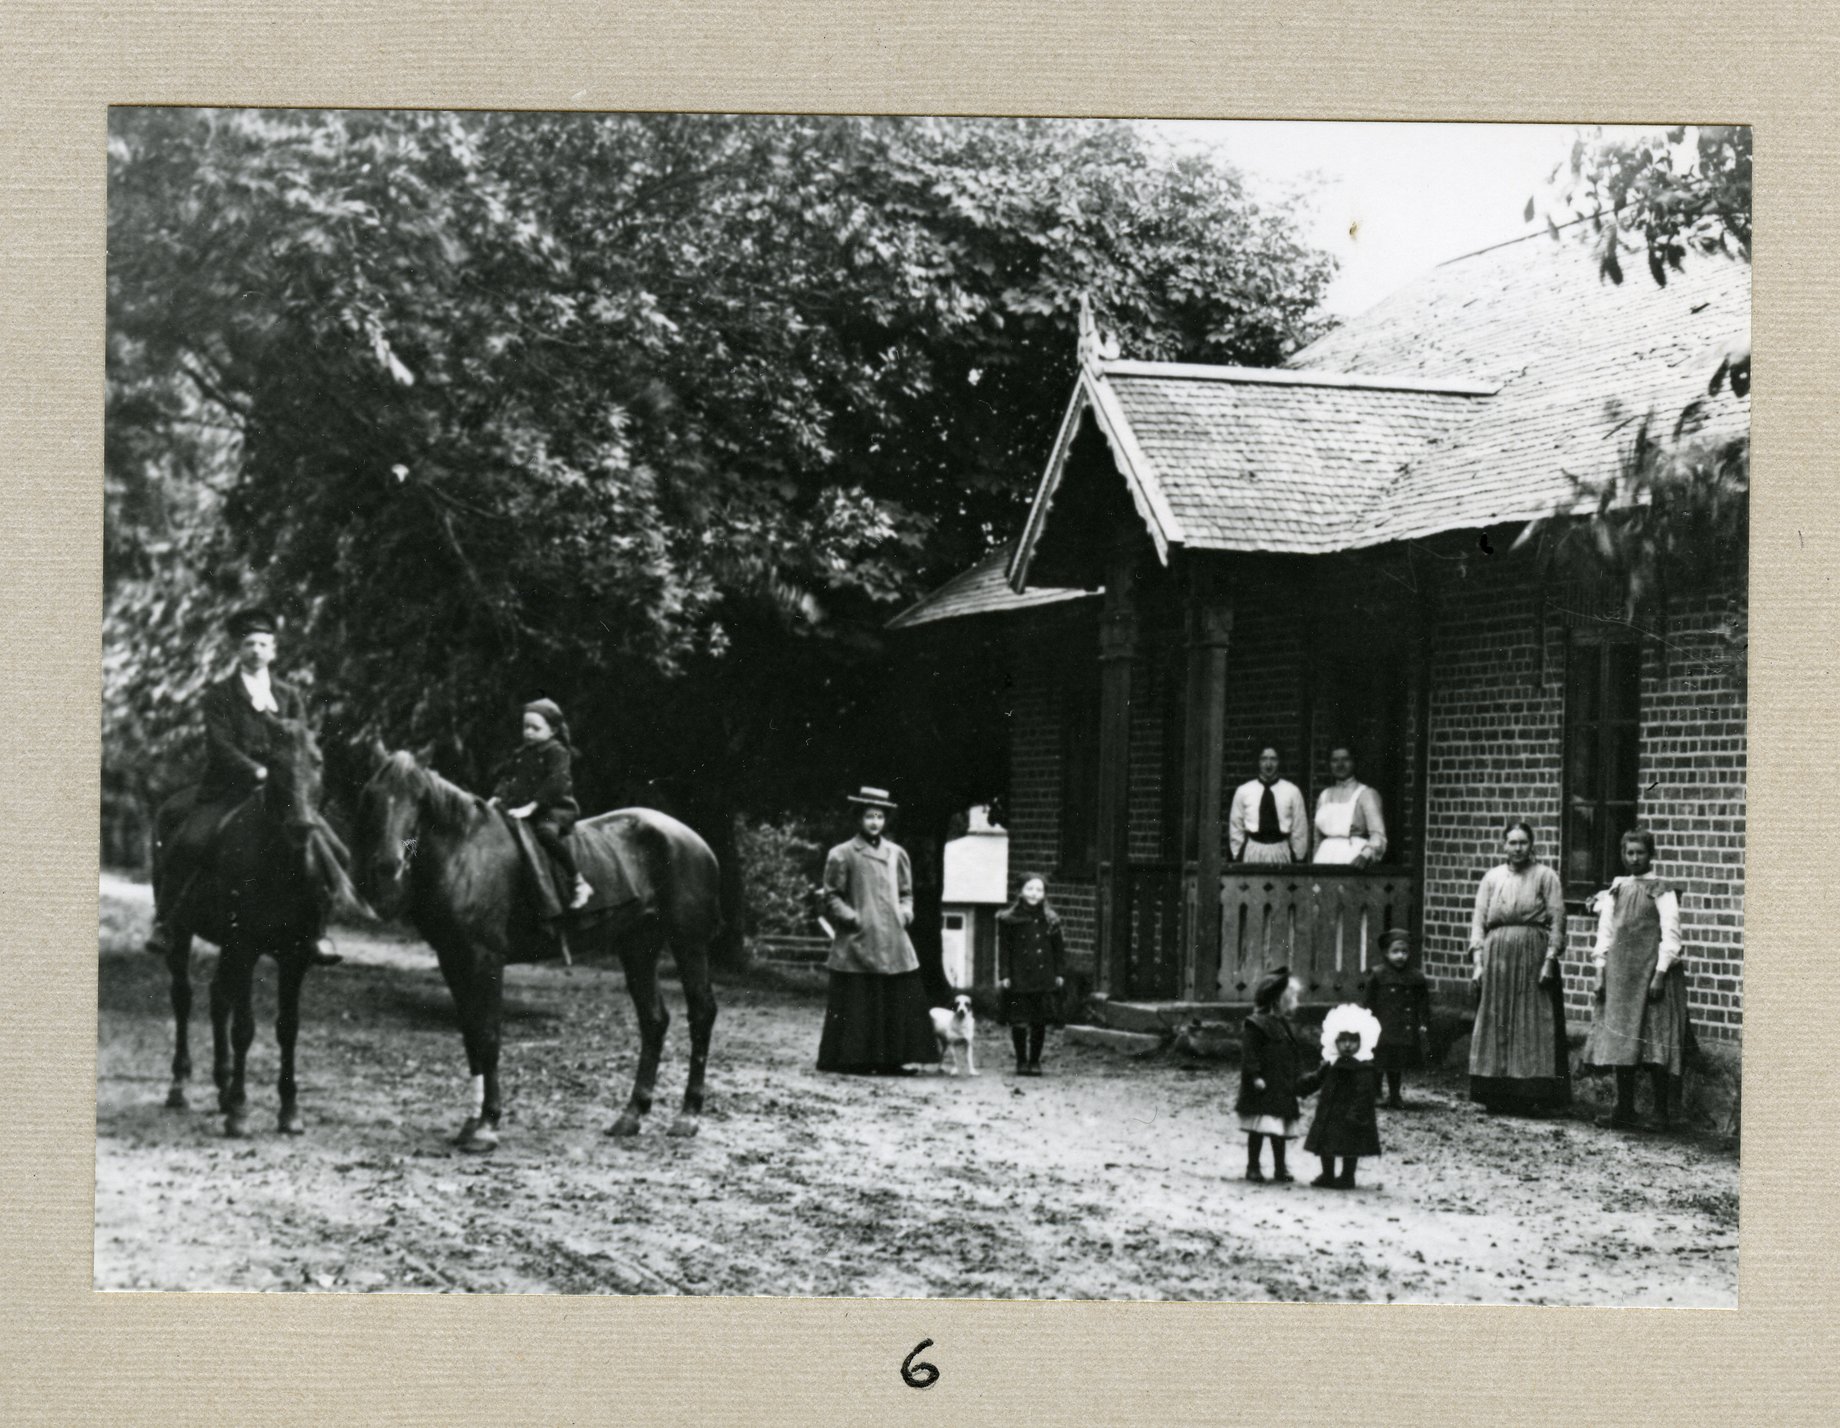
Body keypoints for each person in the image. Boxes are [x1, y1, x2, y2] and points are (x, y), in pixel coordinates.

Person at [145, 606, 340, 965]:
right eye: (249, 644)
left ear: (274, 650)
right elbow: (220, 745)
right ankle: (167, 922)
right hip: (228, 788)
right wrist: (256, 771)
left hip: (282, 793)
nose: (256, 651)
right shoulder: (220, 694)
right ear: (238, 649)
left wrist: (290, 776)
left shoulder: (289, 696)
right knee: (189, 841)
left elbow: (300, 742)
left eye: (263, 644)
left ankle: (318, 931)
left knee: (327, 850)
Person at [815, 787, 940, 1075]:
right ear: (859, 818)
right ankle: (853, 1060)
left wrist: (906, 913)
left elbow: (907, 892)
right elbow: (832, 895)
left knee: (893, 999)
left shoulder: (897, 853)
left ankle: (891, 1060)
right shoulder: (842, 853)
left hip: (893, 939)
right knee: (860, 1001)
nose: (874, 822)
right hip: (858, 939)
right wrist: (852, 917)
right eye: (869, 816)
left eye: (880, 817)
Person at [1582, 829, 1688, 1129]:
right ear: (1622, 854)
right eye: (1629, 852)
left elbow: (1671, 935)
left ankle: (1660, 1112)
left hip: (1650, 975)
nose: (1634, 858)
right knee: (1620, 1038)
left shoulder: (1661, 890)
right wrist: (1600, 972)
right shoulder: (1616, 889)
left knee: (1653, 1041)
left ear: (1650, 854)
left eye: (1640, 852)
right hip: (1620, 975)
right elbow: (1605, 934)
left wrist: (1660, 974)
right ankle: (1624, 1108)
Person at [1467, 821, 1570, 1113]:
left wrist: (1551, 959)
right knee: (1497, 1021)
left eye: (1522, 842)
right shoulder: (1491, 878)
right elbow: (1478, 921)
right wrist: (1478, 963)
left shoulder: (1546, 876)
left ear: (1531, 844)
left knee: (1533, 1021)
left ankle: (1533, 1095)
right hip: (1497, 956)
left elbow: (1558, 920)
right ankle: (1497, 1093)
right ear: (1503, 845)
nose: (1517, 848)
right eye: (1511, 843)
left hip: (1533, 956)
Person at [490, 698, 591, 910]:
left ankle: (578, 881)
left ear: (553, 730)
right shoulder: (521, 754)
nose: (528, 732)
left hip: (554, 809)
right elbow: (508, 778)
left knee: (545, 834)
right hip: (524, 809)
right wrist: (498, 797)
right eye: (525, 727)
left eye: (535, 728)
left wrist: (532, 806)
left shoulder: (557, 752)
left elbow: (556, 782)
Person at [1235, 968, 1311, 1183]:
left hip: (1281, 1085)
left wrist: (1298, 1076)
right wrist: (1255, 1076)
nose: (1296, 1001)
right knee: (1259, 1128)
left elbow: (1292, 1053)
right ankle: (1253, 1166)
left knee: (1279, 1130)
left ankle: (1280, 1167)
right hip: (1263, 1086)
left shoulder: (1283, 1025)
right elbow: (1249, 1055)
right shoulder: (1255, 1024)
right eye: (1292, 996)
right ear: (1278, 1000)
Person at [1300, 1003, 1384, 1189]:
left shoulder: (1363, 1067)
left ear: (1362, 1041)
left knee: (1350, 1145)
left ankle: (1348, 1176)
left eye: (1353, 1040)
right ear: (1334, 1040)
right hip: (1330, 1110)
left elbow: (1364, 1093)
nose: (1347, 1045)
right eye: (1342, 1040)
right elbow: (1317, 1078)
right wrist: (1300, 1087)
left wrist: (1356, 1113)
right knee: (1325, 1143)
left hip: (1349, 1114)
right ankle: (1327, 1174)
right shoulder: (1331, 1062)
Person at [996, 873, 1066, 1076]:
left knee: (1039, 1020)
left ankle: (1035, 1061)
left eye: (1039, 890)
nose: (1034, 894)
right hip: (1019, 977)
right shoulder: (1009, 920)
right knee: (1019, 1019)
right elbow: (1005, 949)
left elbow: (1058, 949)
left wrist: (1059, 972)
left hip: (1043, 976)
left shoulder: (1050, 920)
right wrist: (1005, 974)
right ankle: (1021, 1061)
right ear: (1020, 892)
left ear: (1044, 894)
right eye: (1029, 889)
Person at [1364, 928, 1432, 1108]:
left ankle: (1395, 1095)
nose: (1400, 956)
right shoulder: (1378, 974)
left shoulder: (1416, 977)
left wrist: (1423, 1022)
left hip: (1403, 1027)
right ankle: (1376, 1093)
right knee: (1378, 1061)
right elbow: (1368, 1001)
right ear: (1386, 953)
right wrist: (1366, 1021)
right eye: (1395, 952)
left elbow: (1423, 1003)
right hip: (1381, 1028)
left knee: (1396, 1063)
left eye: (1404, 952)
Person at [1228, 745, 1310, 864]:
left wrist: (1298, 858)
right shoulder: (1244, 791)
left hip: (1281, 851)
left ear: (1279, 761)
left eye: (1273, 759)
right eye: (1264, 759)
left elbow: (1299, 828)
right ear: (1258, 762)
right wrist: (1237, 855)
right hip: (1253, 851)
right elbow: (1236, 826)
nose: (1268, 764)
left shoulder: (1292, 791)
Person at [1312, 744, 1387, 866]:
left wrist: (1365, 855)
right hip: (1324, 858)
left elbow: (1378, 835)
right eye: (1335, 760)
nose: (1340, 765)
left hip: (1352, 857)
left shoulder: (1366, 794)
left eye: (1345, 759)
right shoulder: (1324, 796)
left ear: (1354, 762)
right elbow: (1317, 838)